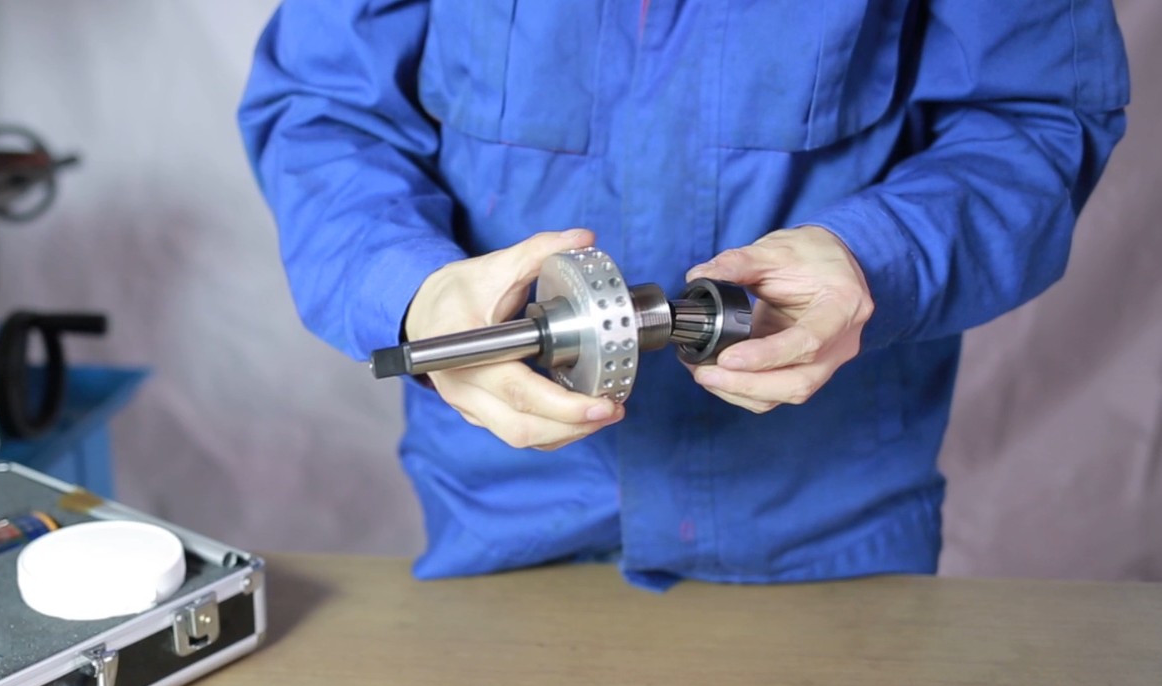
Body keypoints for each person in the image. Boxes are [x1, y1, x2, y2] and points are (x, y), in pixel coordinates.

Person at [236, 2, 1130, 590]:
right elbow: (323, 109)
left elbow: (1037, 117)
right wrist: (412, 292)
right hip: (500, 515)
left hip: (826, 527)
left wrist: (875, 257)